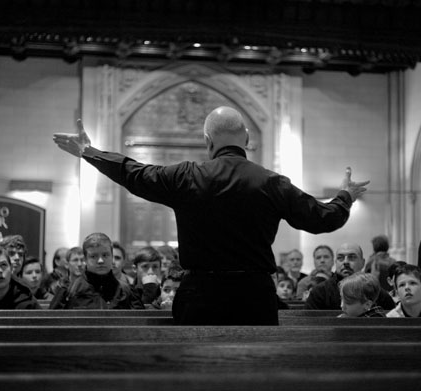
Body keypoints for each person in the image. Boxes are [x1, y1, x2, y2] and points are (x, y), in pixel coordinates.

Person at [53, 106, 368, 325]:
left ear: (207, 142)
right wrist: (346, 196)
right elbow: (323, 218)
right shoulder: (272, 183)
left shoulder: (187, 176)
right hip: (254, 298)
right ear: (245, 139)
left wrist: (90, 152)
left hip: (201, 297)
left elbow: (134, 173)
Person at [48, 233, 143, 310]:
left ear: (111, 256)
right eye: (93, 256)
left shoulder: (126, 291)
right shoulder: (69, 290)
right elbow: (51, 326)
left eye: (105, 255)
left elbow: (141, 327)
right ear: (85, 259)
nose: (100, 261)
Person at [305, 243, 395, 311]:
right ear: (336, 262)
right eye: (340, 258)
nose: (345, 262)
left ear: (362, 263)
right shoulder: (320, 292)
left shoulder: (377, 293)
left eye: (352, 257)